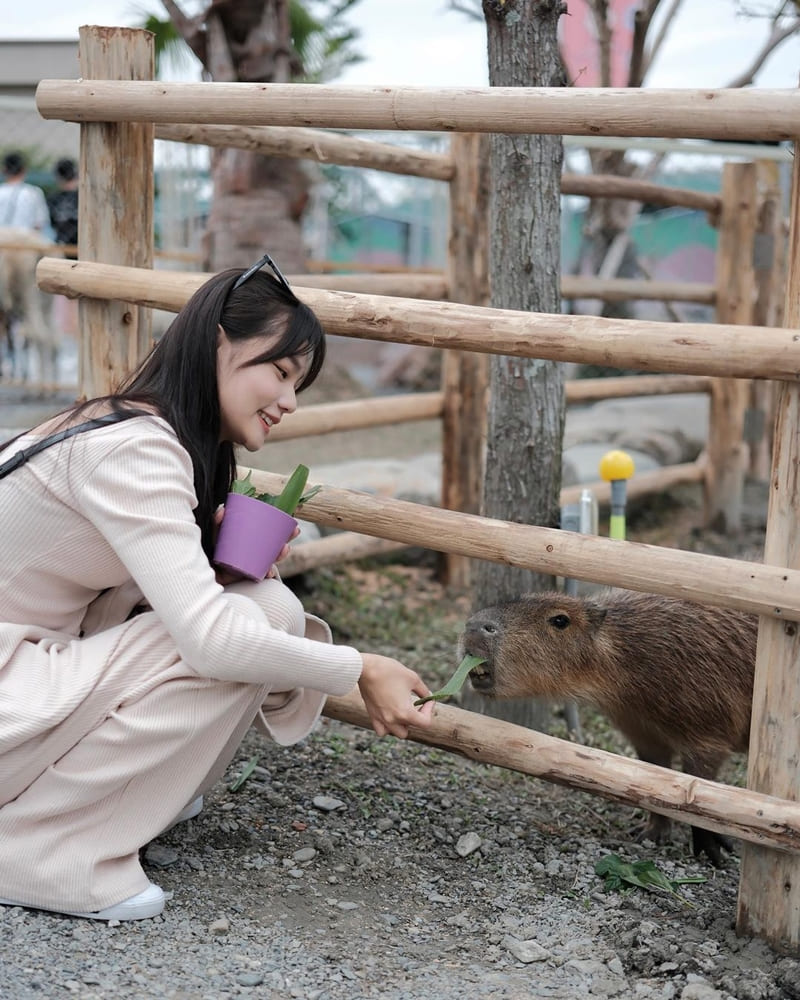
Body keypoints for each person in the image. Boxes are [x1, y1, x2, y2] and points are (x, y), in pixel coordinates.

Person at [0, 253, 435, 923]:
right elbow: (206, 643)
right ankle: (37, 847)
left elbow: (99, 612)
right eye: (281, 372)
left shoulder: (131, 428)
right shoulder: (136, 450)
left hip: (23, 678)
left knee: (265, 606)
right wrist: (359, 669)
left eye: (300, 384)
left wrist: (220, 569)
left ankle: (131, 801)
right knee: (237, 631)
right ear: (216, 343)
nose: (289, 401)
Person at [0, 150, 50, 232]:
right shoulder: (34, 192)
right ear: (24, 170)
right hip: (25, 239)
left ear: (4, 170)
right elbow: (39, 223)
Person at [47, 157, 79, 257]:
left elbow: (51, 224)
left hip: (61, 247)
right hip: (83, 246)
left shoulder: (52, 199)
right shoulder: (85, 198)